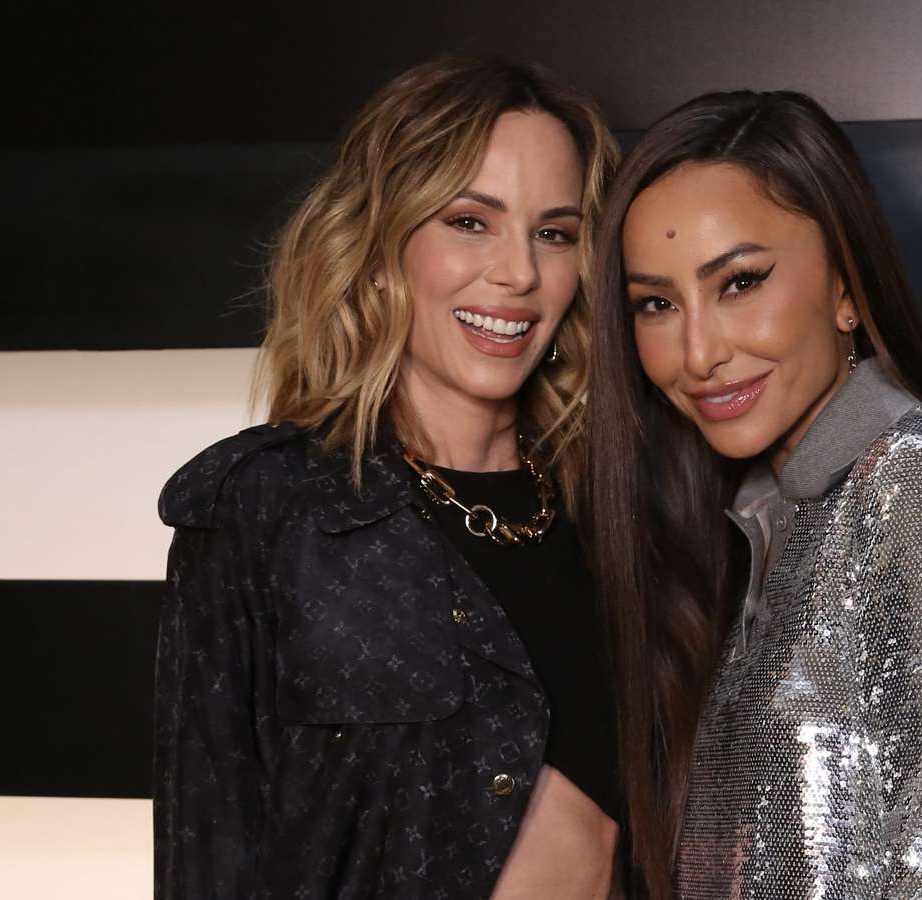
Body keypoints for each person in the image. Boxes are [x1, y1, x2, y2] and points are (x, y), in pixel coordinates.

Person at [154, 56, 621, 899]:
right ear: (377, 252)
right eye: (470, 222)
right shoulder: (268, 512)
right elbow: (208, 850)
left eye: (554, 233)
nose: (518, 272)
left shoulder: (627, 510)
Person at [586, 90, 922, 899]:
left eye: (740, 282)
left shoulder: (921, 484)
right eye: (656, 304)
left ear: (846, 288)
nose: (697, 352)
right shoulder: (762, 516)